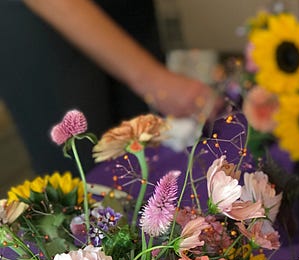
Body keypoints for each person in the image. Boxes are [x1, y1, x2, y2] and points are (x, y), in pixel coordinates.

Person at [0, 0, 221, 175]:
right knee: (85, 182)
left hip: (128, 12)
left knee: (146, 167)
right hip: (41, 21)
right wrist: (154, 80)